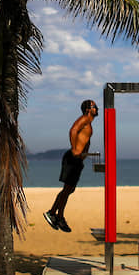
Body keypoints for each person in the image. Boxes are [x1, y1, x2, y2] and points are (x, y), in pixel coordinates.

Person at [44, 99, 99, 232]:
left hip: (77, 160)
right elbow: (73, 130)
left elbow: (83, 140)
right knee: (67, 189)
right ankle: (56, 215)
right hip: (72, 158)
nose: (97, 108)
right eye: (94, 106)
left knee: (69, 190)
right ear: (88, 109)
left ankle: (56, 215)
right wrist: (75, 149)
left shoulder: (89, 123)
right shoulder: (85, 119)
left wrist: (84, 155)